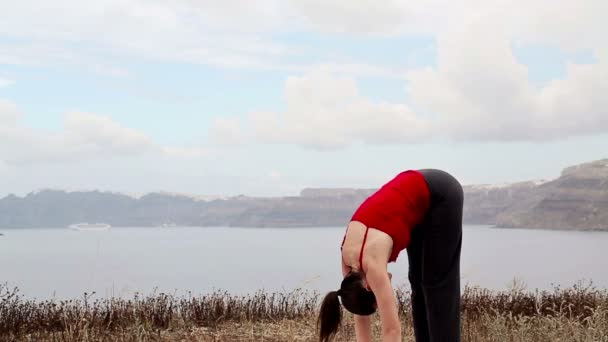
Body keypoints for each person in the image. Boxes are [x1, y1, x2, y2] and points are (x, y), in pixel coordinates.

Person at [318, 169, 463, 342]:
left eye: (376, 302)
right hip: (416, 201)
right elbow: (360, 316)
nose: (381, 302)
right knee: (418, 283)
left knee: (436, 286)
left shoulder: (372, 267)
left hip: (441, 193)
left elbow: (392, 331)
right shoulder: (350, 270)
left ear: (369, 287)